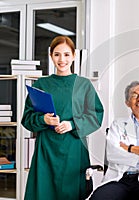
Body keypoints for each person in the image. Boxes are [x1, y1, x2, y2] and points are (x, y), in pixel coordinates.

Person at [21, 35, 104, 200]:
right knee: (44, 193)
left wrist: (72, 124)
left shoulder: (83, 85)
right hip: (46, 150)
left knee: (72, 193)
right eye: (57, 54)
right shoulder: (41, 85)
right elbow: (27, 118)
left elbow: (96, 115)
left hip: (73, 149)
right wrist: (44, 120)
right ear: (51, 56)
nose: (62, 59)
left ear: (73, 56)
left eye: (66, 54)